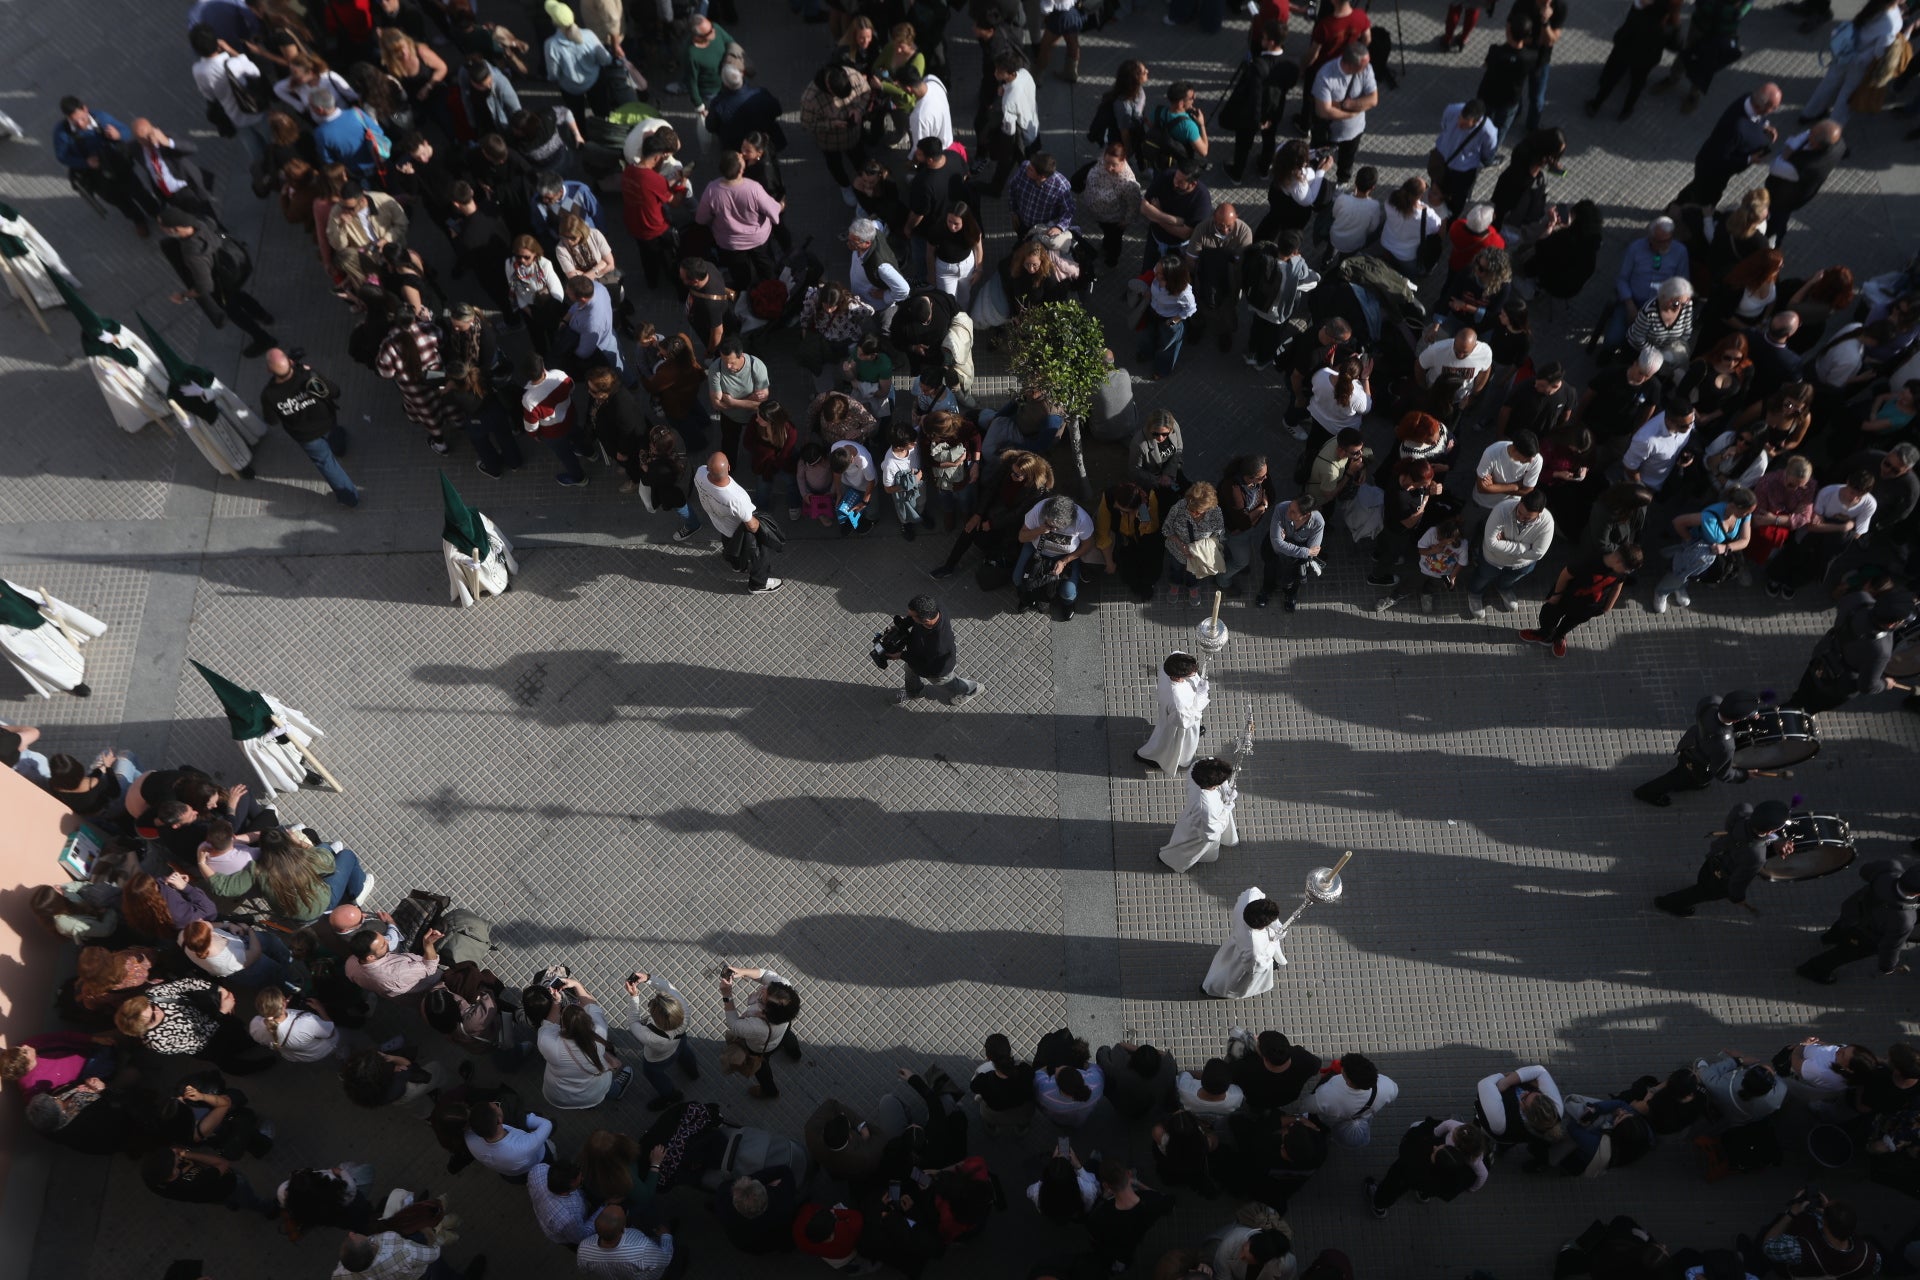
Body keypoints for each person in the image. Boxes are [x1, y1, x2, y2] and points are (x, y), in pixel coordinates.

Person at [156, 211, 279, 359]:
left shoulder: (193, 253)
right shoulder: (202, 221)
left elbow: (204, 286)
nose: (164, 232)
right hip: (231, 270)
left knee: (234, 312)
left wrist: (184, 296)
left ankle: (263, 339)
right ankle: (263, 315)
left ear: (175, 229)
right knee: (239, 295)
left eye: (164, 229)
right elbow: (218, 230)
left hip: (220, 285)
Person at [1783, 588, 1915, 713]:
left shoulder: (1859, 598)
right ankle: (1797, 717)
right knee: (1813, 706)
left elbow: (1842, 605)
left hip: (1823, 654)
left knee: (1806, 688)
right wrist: (1885, 684)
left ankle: (1791, 705)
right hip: (1839, 683)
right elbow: (1867, 686)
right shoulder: (1881, 650)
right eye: (1902, 622)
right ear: (1891, 624)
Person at [1654, 799, 1791, 919]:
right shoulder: (1757, 857)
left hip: (1714, 856)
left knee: (1703, 879)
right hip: (1722, 878)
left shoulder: (1743, 809)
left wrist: (1775, 840)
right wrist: (1737, 898)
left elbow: (1743, 831)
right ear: (1769, 831)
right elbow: (1737, 882)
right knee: (1700, 893)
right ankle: (1667, 903)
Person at [1632, 689, 1763, 807]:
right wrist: (1744, 775)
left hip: (1689, 742)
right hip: (1698, 763)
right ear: (1736, 720)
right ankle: (1645, 793)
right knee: (1677, 778)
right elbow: (1723, 773)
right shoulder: (1725, 745)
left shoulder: (1711, 701)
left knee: (1686, 776)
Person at [259, 349, 357, 506]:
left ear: (269, 369)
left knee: (327, 464)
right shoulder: (308, 376)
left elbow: (272, 420)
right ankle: (340, 449)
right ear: (291, 362)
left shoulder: (269, 395)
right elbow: (335, 391)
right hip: (327, 421)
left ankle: (349, 499)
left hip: (306, 436)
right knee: (335, 436)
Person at [1798, 859, 1920, 984]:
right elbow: (1890, 947)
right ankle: (1813, 969)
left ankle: (1829, 937)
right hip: (1865, 937)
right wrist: (1887, 967)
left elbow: (1864, 871)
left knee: (1841, 927)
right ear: (1917, 893)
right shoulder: (1906, 920)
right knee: (1843, 954)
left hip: (1852, 909)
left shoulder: (1891, 867)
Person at [1520, 544, 1642, 657]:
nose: (1628, 573)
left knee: (1570, 623)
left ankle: (1559, 637)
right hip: (1565, 598)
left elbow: (1618, 585)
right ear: (1618, 561)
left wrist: (1608, 607)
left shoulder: (1620, 571)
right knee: (1548, 616)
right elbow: (1565, 574)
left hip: (1588, 608)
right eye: (1628, 570)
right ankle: (1544, 635)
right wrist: (1557, 595)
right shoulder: (1590, 560)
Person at [1679, 84, 1783, 208]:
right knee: (1705, 197)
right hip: (1713, 171)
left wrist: (1764, 126)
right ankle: (1682, 211)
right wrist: (1749, 159)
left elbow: (1756, 118)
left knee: (1696, 188)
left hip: (1714, 163)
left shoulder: (1749, 98)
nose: (1774, 110)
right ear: (1759, 107)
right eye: (1773, 108)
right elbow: (1721, 158)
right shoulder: (1736, 128)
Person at [692, 452, 782, 596]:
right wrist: (765, 529)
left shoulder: (700, 473)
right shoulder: (737, 498)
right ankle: (758, 584)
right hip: (738, 530)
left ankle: (737, 565)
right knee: (760, 554)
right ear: (729, 467)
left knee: (729, 543)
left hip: (719, 523)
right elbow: (752, 525)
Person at [1744, 1191, 1881, 1278]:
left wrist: (1791, 1212)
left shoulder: (1800, 1250)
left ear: (1826, 1223)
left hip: (1798, 1271)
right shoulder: (1870, 1255)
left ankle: (1751, 1264)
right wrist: (1829, 1214)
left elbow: (1769, 1246)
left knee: (1765, 1237)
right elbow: (1874, 1269)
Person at [1364, 1118, 1487, 1216]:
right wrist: (1472, 1189)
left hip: (1408, 1177)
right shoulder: (1466, 1166)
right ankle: (1423, 1194)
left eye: (1438, 1149)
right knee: (1427, 1189)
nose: (1435, 1147)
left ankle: (1379, 1206)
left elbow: (1410, 1144)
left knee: (1392, 1187)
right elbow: (1482, 1175)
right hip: (1432, 1187)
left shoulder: (1417, 1158)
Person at [1465, 490, 1553, 617]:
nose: (1521, 519)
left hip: (1522, 564)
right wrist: (1525, 547)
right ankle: (1474, 593)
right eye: (1519, 512)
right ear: (1520, 502)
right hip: (1493, 559)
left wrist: (1505, 542)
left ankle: (1503, 588)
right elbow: (1491, 543)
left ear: (1539, 514)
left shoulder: (1547, 523)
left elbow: (1537, 554)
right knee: (1483, 576)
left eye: (1527, 518)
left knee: (1510, 579)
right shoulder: (1502, 509)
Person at [884, 594, 983, 706]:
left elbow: (928, 668)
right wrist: (901, 627)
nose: (909, 617)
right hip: (919, 654)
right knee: (909, 668)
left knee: (945, 682)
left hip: (937, 668)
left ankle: (972, 689)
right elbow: (911, 619)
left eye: (912, 616)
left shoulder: (938, 644)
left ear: (925, 620)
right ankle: (915, 692)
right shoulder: (934, 607)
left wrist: (902, 655)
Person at [721, 965, 803, 1099]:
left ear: (766, 1012)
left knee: (761, 1068)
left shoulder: (756, 1026)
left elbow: (734, 1025)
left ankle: (770, 1092)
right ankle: (795, 1054)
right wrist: (744, 972)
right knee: (788, 1036)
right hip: (783, 1031)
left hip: (761, 1049)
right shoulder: (784, 997)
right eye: (768, 988)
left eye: (763, 996)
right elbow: (765, 975)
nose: (763, 987)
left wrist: (726, 995)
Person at [622, 972, 699, 1112]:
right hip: (679, 1041)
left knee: (653, 1074)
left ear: (656, 1018)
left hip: (658, 1059)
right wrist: (649, 978)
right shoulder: (683, 1007)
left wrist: (634, 997)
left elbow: (633, 1021)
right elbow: (668, 988)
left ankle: (670, 1096)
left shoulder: (652, 1037)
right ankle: (693, 1072)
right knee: (684, 1052)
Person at [1014, 494, 1095, 619]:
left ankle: (1068, 604)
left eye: (1055, 527)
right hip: (1037, 551)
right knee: (1017, 579)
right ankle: (1028, 597)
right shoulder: (1038, 510)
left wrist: (1064, 561)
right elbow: (1021, 537)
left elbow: (1088, 545)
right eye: (1049, 524)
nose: (1052, 529)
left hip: (1065, 557)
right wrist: (1039, 530)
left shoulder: (1082, 520)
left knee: (1068, 593)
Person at [1309, 42, 1378, 183]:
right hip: (1327, 132)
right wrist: (1352, 113)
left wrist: (1345, 104)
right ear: (1351, 65)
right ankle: (1313, 182)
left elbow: (1373, 100)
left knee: (1347, 161)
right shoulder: (1325, 75)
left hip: (1354, 130)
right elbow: (1323, 111)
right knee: (1317, 160)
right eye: (1363, 66)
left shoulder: (1366, 69)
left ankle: (1341, 183)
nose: (1368, 68)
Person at [1158, 757, 1239, 872]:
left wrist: (1225, 788)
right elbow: (1211, 834)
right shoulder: (1205, 807)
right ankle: (1171, 860)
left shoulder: (1196, 768)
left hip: (1191, 816)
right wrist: (1226, 810)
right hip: (1198, 832)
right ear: (1214, 786)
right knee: (1186, 848)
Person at [1202, 888, 1287, 998]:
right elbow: (1255, 967)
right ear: (1263, 926)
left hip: (1236, 943)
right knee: (1232, 979)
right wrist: (1273, 942)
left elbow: (1255, 893)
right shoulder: (1254, 948)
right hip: (1242, 960)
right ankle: (1215, 990)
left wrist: (1276, 925)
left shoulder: (1250, 898)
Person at [1136, 651, 1208, 772]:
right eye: (1192, 672)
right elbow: (1185, 722)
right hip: (1177, 723)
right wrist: (1201, 696)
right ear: (1179, 676)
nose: (1195, 672)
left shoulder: (1173, 661)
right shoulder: (1178, 700)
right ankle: (1155, 757)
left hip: (1170, 711)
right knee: (1170, 741)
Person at [464, 1099, 554, 1180]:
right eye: (497, 1105)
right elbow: (547, 1124)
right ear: (498, 1120)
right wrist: (524, 1119)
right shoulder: (522, 1146)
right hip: (540, 1160)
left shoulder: (469, 1139)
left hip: (511, 1175)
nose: (499, 1104)